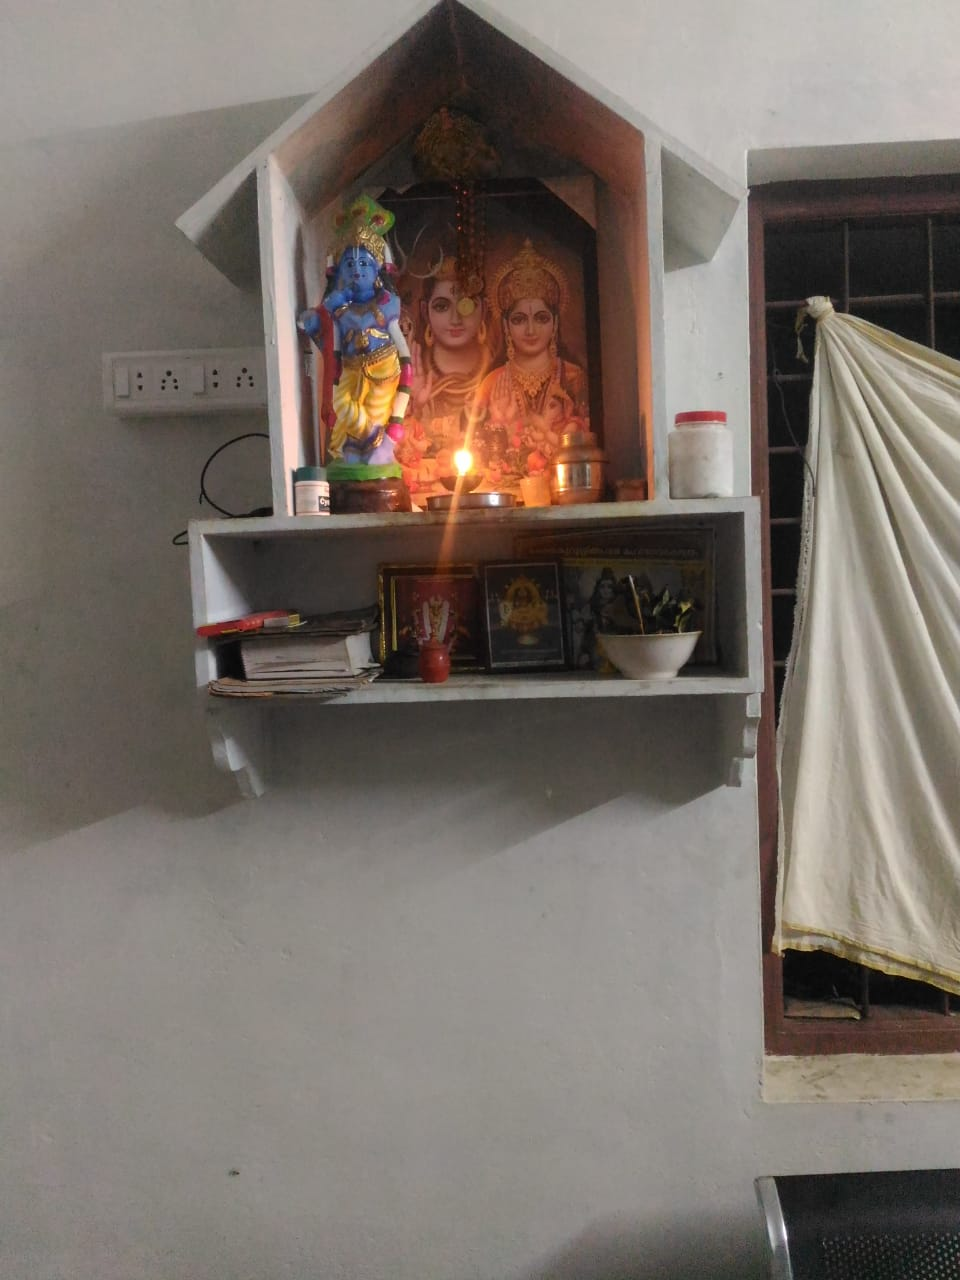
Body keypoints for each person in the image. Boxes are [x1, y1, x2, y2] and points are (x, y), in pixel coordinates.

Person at [299, 195, 411, 476]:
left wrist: (406, 376)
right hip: (349, 369)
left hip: (384, 369)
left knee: (375, 412)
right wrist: (329, 308)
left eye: (364, 264)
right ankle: (367, 442)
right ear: (339, 272)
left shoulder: (387, 304)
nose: (357, 270)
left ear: (377, 270)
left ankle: (374, 449)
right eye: (349, 265)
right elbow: (326, 341)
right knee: (342, 407)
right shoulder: (340, 310)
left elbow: (403, 349)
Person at [474, 238, 589, 489]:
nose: (530, 330)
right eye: (519, 319)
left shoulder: (573, 376)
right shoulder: (491, 383)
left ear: (555, 323)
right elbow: (474, 457)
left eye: (541, 318)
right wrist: (499, 424)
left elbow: (583, 448)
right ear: (506, 325)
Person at [395, 257, 492, 495]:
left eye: (466, 305)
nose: (455, 319)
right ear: (424, 311)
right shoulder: (409, 378)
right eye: (442, 306)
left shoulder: (499, 379)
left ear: (484, 309)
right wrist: (413, 404)